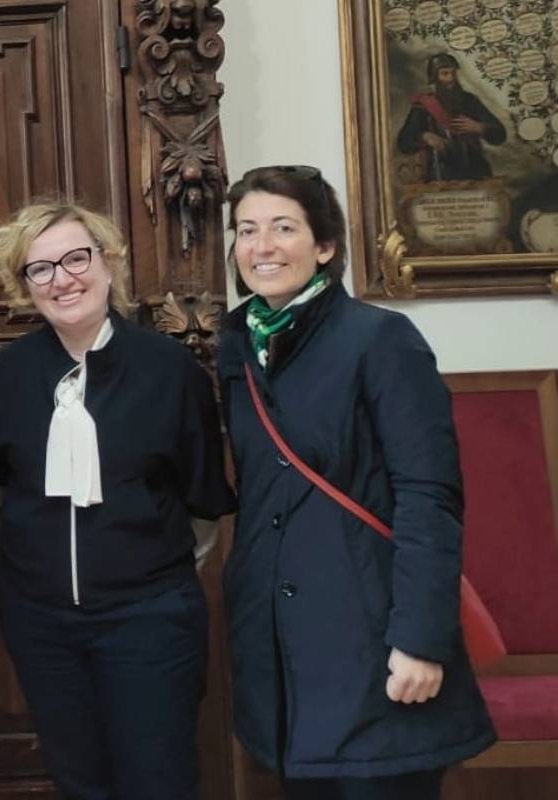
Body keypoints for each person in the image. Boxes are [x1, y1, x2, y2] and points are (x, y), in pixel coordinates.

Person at [217, 165, 495, 800]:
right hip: (283, 652)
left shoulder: (381, 339)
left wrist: (421, 641)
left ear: (325, 246)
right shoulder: (236, 345)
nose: (262, 246)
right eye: (246, 230)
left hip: (374, 643)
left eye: (283, 228)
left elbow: (431, 496)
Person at [0, 202, 235, 800]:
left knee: (158, 780)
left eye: (75, 258)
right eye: (40, 269)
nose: (62, 279)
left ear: (108, 262)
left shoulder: (170, 370)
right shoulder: (8, 375)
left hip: (149, 618)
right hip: (41, 622)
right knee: (78, 780)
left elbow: (201, 500)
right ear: (25, 286)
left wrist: (141, 565)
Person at [395, 52, 506, 182]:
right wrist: (424, 136)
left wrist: (480, 127)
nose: (451, 78)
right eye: (445, 73)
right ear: (435, 77)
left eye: (453, 73)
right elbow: (403, 142)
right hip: (440, 174)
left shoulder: (469, 101)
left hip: (475, 171)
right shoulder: (424, 106)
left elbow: (500, 135)